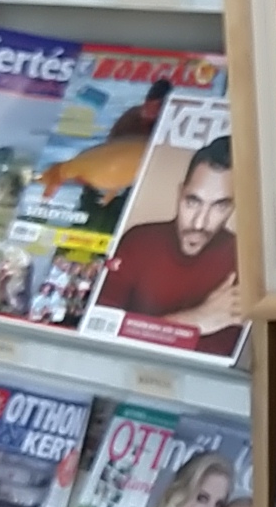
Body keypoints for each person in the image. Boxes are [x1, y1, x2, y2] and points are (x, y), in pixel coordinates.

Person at [94, 136, 241, 355]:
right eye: (193, 202)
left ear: (234, 206)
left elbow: (219, 358)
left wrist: (154, 329)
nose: (199, 223)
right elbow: (98, 329)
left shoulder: (243, 258)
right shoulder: (138, 241)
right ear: (180, 193)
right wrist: (196, 320)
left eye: (220, 206)